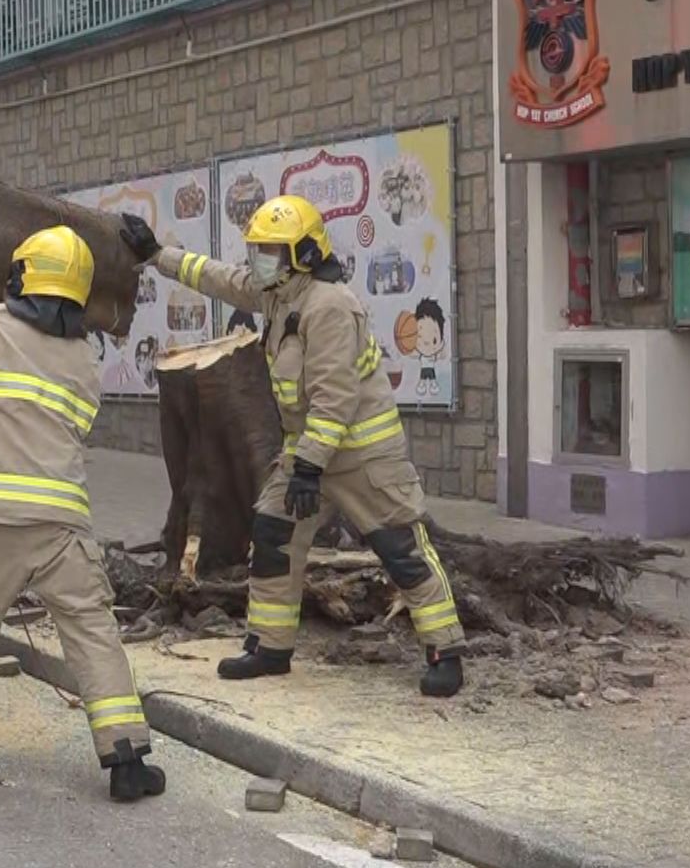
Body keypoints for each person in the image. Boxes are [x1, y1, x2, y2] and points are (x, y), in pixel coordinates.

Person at [119, 196, 465, 698]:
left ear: (302, 252)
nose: (259, 258)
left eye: (269, 250)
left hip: (362, 458)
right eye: (257, 249)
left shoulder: (329, 307)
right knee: (273, 534)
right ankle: (270, 646)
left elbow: (335, 399)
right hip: (309, 454)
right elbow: (217, 277)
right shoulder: (279, 293)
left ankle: (445, 650)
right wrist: (156, 255)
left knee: (400, 548)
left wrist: (307, 470)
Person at [0, 225, 166, 802]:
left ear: (23, 277)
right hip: (60, 527)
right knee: (93, 634)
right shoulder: (83, 363)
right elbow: (61, 422)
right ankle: (126, 756)